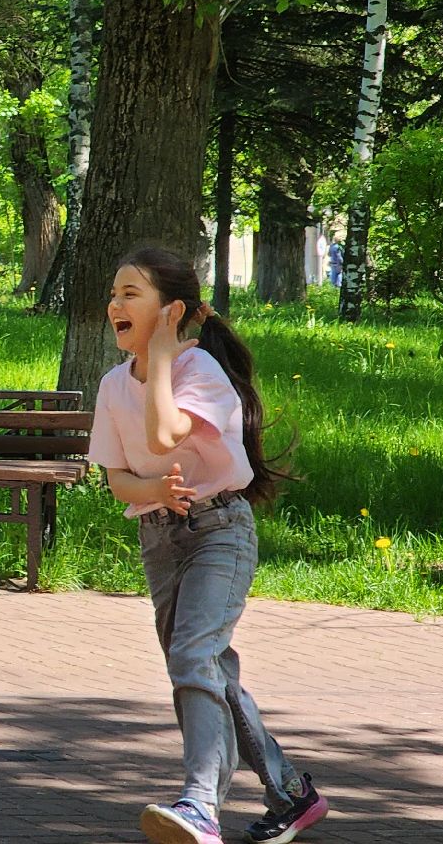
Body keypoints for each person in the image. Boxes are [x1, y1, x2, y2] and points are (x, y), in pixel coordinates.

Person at [90, 248, 328, 844]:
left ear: (171, 312)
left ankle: (199, 803)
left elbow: (163, 431)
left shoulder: (201, 374)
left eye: (131, 294)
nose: (115, 304)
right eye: (114, 293)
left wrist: (165, 356)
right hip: (159, 539)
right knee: (210, 669)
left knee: (192, 657)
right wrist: (152, 489)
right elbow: (116, 475)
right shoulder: (113, 384)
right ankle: (291, 793)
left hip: (220, 531)